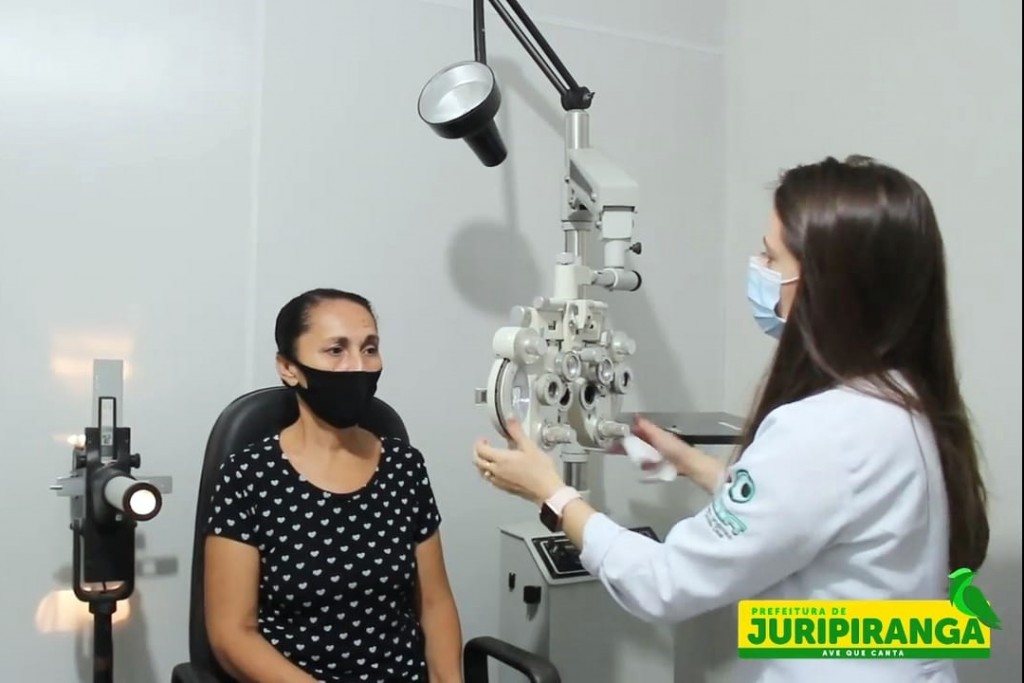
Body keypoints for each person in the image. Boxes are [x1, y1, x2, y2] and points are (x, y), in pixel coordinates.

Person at [473, 155, 989, 682]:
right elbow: (806, 510)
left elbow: (664, 583)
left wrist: (553, 496)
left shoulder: (821, 432)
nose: (758, 266)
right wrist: (694, 465)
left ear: (825, 284)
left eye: (771, 256)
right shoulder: (903, 401)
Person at [206, 289, 463, 683]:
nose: (358, 366)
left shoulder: (404, 465)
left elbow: (435, 602)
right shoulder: (249, 475)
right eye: (336, 350)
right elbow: (232, 634)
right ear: (289, 368)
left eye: (370, 348)